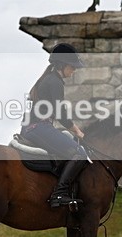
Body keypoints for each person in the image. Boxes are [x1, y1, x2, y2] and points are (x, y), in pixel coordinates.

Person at [21, 43, 89, 208]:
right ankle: (59, 194)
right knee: (79, 153)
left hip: (36, 126)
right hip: (39, 127)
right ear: (63, 65)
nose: (73, 71)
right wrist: (77, 131)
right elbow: (60, 113)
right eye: (72, 67)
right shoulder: (54, 82)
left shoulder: (48, 78)